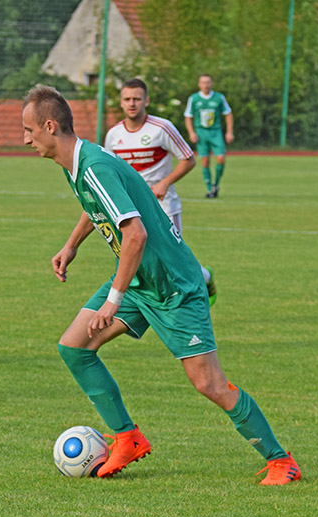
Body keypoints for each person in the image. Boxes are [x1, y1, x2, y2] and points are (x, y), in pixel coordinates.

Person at [21, 85, 299, 485]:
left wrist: (112, 301)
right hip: (140, 281)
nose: (26, 138)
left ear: (50, 126)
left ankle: (281, 460)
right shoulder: (76, 164)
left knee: (209, 383)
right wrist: (71, 245)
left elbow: (135, 235)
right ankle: (128, 437)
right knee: (74, 347)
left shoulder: (94, 165)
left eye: (29, 130)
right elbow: (94, 206)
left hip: (172, 287)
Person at [105, 78, 217, 305]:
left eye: (137, 99)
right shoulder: (113, 135)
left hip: (164, 206)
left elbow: (188, 159)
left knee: (174, 261)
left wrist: (164, 183)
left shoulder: (162, 128)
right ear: (121, 103)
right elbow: (110, 172)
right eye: (127, 99)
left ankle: (203, 279)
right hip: (131, 209)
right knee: (143, 260)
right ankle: (159, 305)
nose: (132, 103)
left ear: (146, 100)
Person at [184, 74, 234, 198]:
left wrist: (229, 131)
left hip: (215, 132)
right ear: (199, 84)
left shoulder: (218, 97)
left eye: (208, 82)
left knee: (221, 158)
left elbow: (228, 114)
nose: (205, 85)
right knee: (205, 161)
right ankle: (209, 189)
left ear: (212, 84)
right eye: (203, 82)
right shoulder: (194, 98)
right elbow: (188, 116)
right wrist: (191, 132)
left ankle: (216, 183)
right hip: (201, 133)